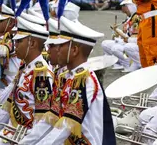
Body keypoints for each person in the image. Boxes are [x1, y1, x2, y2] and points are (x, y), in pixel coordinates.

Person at [20, 15, 115, 145]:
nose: (55, 50)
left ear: (74, 50)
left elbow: (66, 126)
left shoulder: (84, 80)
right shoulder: (67, 77)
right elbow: (50, 119)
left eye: (60, 46)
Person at [0, 16, 54, 145]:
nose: (15, 45)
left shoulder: (41, 74)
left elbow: (43, 119)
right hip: (11, 133)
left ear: (32, 44)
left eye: (19, 42)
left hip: (24, 137)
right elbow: (7, 106)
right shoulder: (24, 67)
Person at [100, 0, 141, 72]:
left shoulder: (137, 18)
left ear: (130, 7)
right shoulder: (129, 18)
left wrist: (123, 37)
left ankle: (127, 63)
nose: (123, 9)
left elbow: (135, 39)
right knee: (105, 44)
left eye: (124, 6)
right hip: (127, 42)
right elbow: (126, 35)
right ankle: (118, 62)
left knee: (116, 48)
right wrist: (117, 32)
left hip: (135, 45)